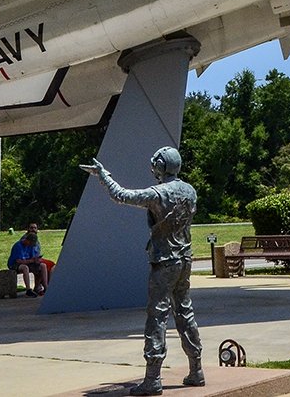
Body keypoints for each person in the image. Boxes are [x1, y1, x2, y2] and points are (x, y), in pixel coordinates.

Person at [81, 147, 204, 395]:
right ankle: (196, 369)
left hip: (165, 261)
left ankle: (153, 378)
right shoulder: (190, 191)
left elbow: (121, 195)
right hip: (185, 259)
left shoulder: (157, 194)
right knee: (185, 312)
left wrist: (103, 175)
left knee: (157, 315)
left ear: (161, 166)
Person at [8, 225, 48, 296]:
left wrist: (36, 260)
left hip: (27, 262)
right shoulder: (18, 246)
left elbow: (32, 257)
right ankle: (28, 289)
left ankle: (46, 287)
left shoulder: (30, 246)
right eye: (30, 243)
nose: (30, 245)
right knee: (25, 268)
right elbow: (19, 261)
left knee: (43, 265)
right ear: (27, 240)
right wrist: (31, 261)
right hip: (14, 264)